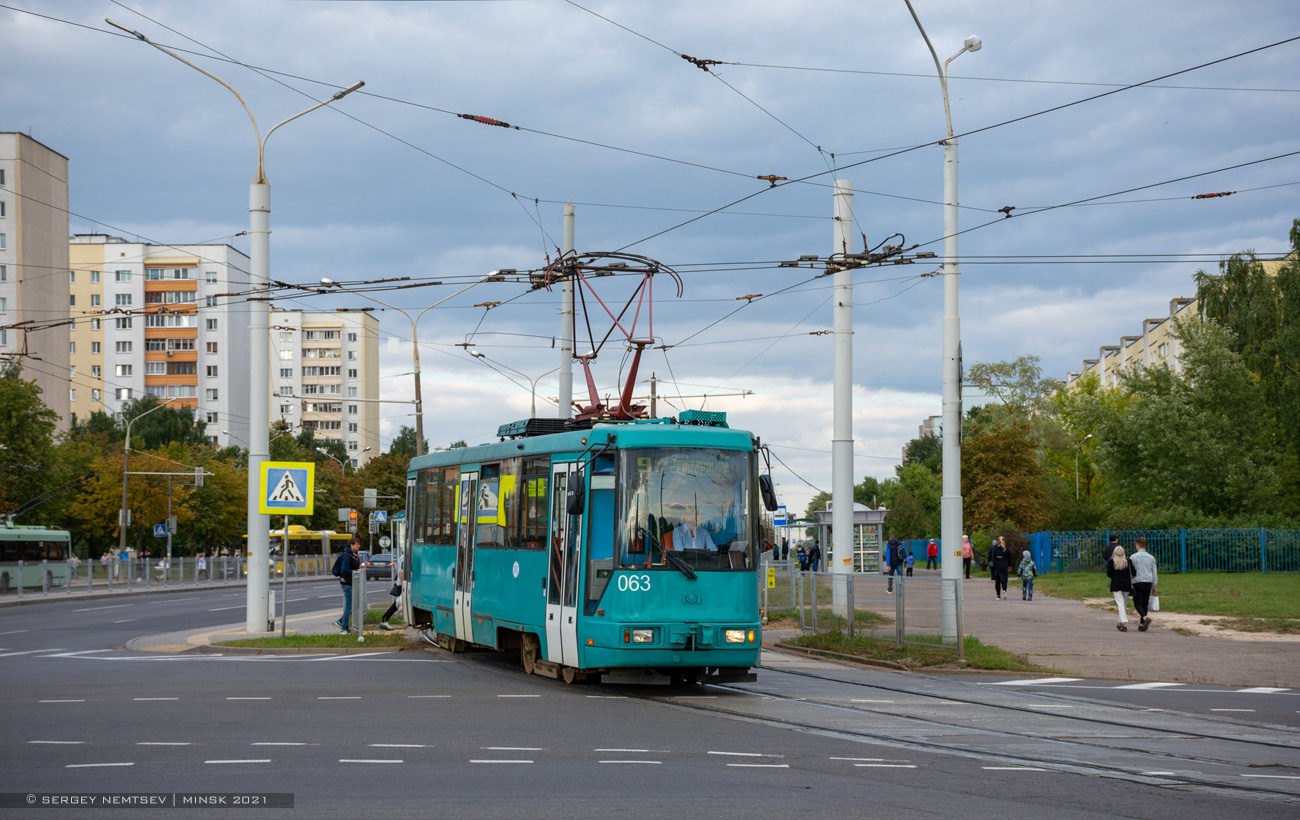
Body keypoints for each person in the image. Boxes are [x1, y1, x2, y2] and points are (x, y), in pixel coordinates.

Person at [1129, 536, 1159, 631]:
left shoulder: (1133, 557)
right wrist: (1154, 585)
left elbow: (1131, 572)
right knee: (1145, 603)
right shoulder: (1151, 558)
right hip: (1148, 582)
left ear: (1137, 545)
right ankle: (1142, 624)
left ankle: (1145, 618)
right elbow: (1154, 573)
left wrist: (1130, 584)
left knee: (1137, 603)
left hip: (1137, 581)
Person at [335, 539, 362, 634]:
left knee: (355, 605)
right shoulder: (347, 556)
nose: (359, 546)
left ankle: (341, 621)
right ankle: (344, 628)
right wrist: (356, 572)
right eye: (357, 544)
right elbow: (344, 570)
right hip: (347, 583)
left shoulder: (354, 555)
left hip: (351, 582)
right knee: (350, 605)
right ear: (351, 545)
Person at [1106, 545, 1134, 631]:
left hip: (1116, 585)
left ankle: (1124, 622)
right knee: (1123, 604)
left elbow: (1109, 574)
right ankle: (1120, 622)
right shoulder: (1128, 561)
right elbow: (1134, 572)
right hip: (1126, 586)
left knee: (1120, 604)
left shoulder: (1111, 562)